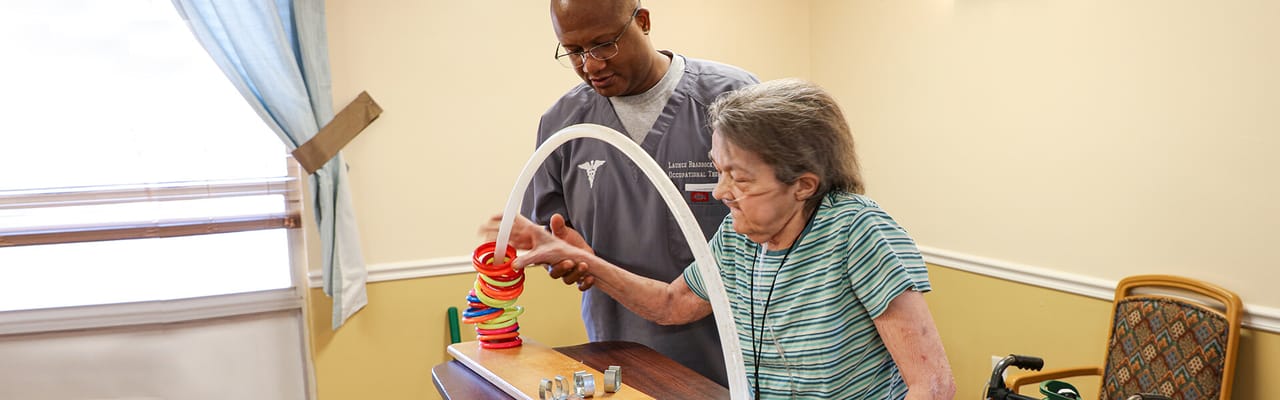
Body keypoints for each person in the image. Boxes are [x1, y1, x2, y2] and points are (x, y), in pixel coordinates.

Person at [510, 79, 957, 399]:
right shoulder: (741, 237)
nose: (722, 192)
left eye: (739, 179)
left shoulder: (857, 232)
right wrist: (581, 258)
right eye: (719, 170)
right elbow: (671, 303)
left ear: (803, 184)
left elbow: (932, 386)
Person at [482, 0, 759, 386]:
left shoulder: (733, 100)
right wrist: (561, 257)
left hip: (732, 352)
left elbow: (779, 226)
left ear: (642, 22)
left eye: (603, 44)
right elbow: (552, 234)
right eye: (574, 51)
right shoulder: (562, 125)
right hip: (618, 351)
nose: (591, 65)